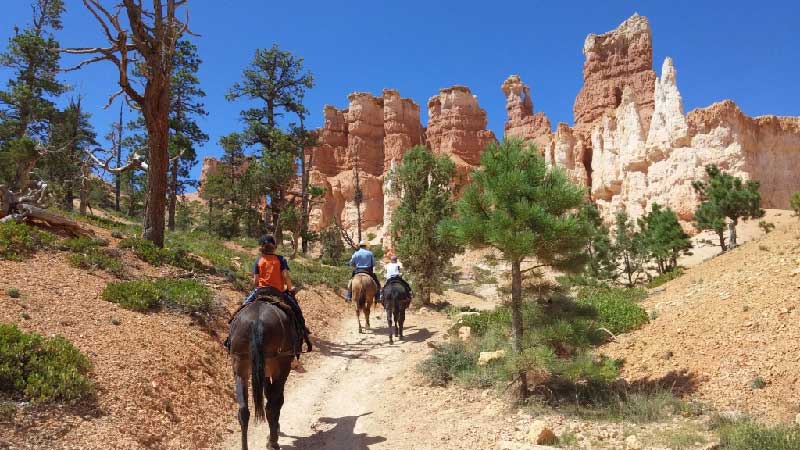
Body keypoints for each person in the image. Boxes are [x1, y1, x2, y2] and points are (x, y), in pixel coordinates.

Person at [226, 235, 311, 352]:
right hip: (278, 292)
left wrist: (259, 288)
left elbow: (256, 281)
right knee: (296, 311)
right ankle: (303, 332)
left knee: (241, 309)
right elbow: (286, 276)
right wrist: (290, 289)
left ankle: (229, 339)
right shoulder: (280, 259)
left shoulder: (258, 260)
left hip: (260, 291)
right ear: (274, 247)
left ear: (262, 247)